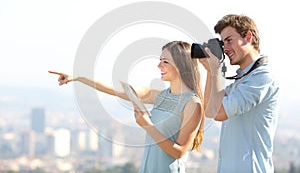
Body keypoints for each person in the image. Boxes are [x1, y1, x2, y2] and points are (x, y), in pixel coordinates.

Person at [49, 41, 205, 173]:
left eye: (165, 61)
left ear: (181, 65)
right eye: (160, 60)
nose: (159, 65)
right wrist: (79, 77)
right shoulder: (159, 95)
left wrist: (147, 126)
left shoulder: (192, 104)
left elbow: (179, 152)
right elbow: (115, 90)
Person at [199, 14, 280, 173]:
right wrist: (210, 71)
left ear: (248, 37)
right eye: (223, 44)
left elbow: (220, 113)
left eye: (229, 40)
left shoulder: (262, 78)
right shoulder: (241, 81)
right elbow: (210, 110)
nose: (226, 48)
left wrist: (216, 71)